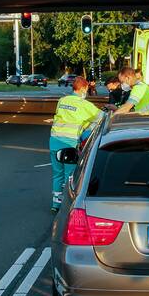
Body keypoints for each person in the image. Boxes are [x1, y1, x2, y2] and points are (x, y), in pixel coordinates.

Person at [49, 76, 102, 212]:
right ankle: (67, 206)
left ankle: (55, 204)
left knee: (57, 174)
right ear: (84, 88)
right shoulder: (84, 104)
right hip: (69, 144)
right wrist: (86, 130)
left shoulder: (62, 100)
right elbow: (102, 118)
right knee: (69, 175)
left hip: (54, 141)